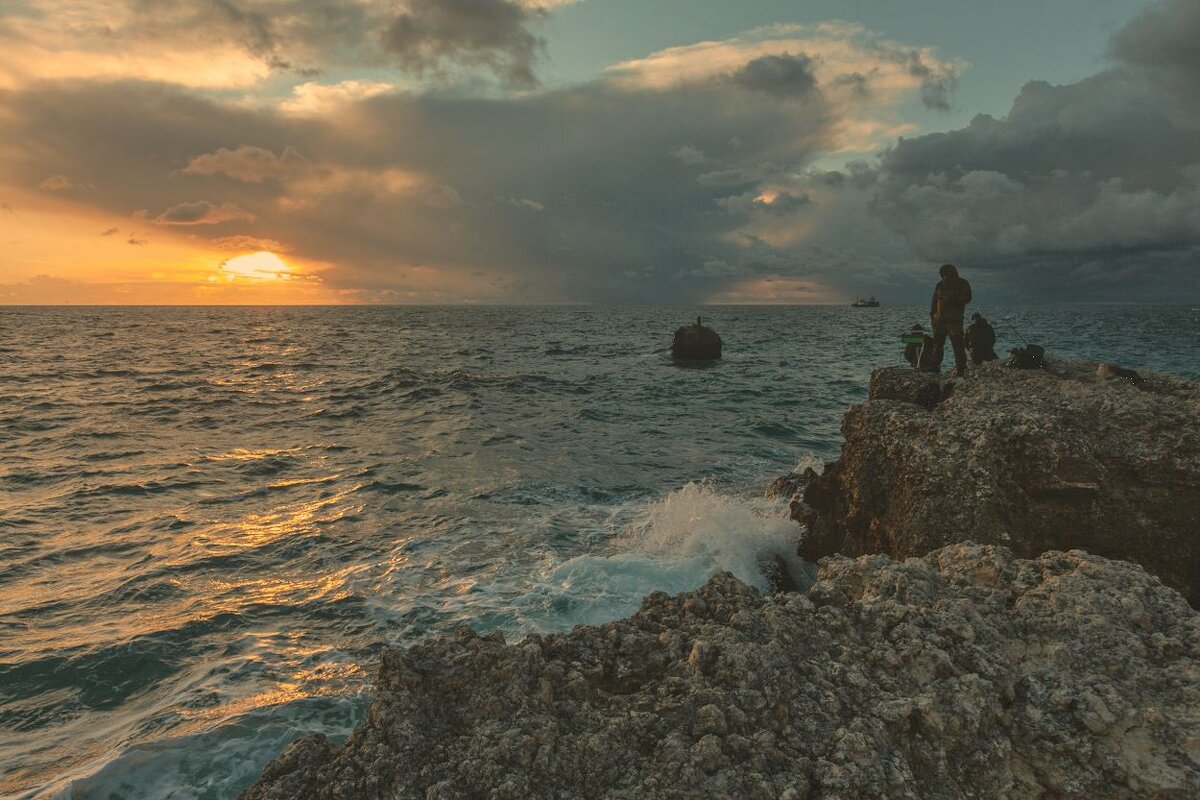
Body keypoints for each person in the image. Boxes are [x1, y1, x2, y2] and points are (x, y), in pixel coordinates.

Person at [929, 264, 972, 376]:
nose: (945, 277)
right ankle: (935, 367)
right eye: (943, 275)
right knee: (937, 345)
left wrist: (953, 300)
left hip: (954, 321)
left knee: (958, 346)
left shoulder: (963, 284)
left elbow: (967, 298)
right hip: (939, 321)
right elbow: (934, 300)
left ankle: (961, 369)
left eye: (946, 274)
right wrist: (932, 315)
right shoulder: (940, 285)